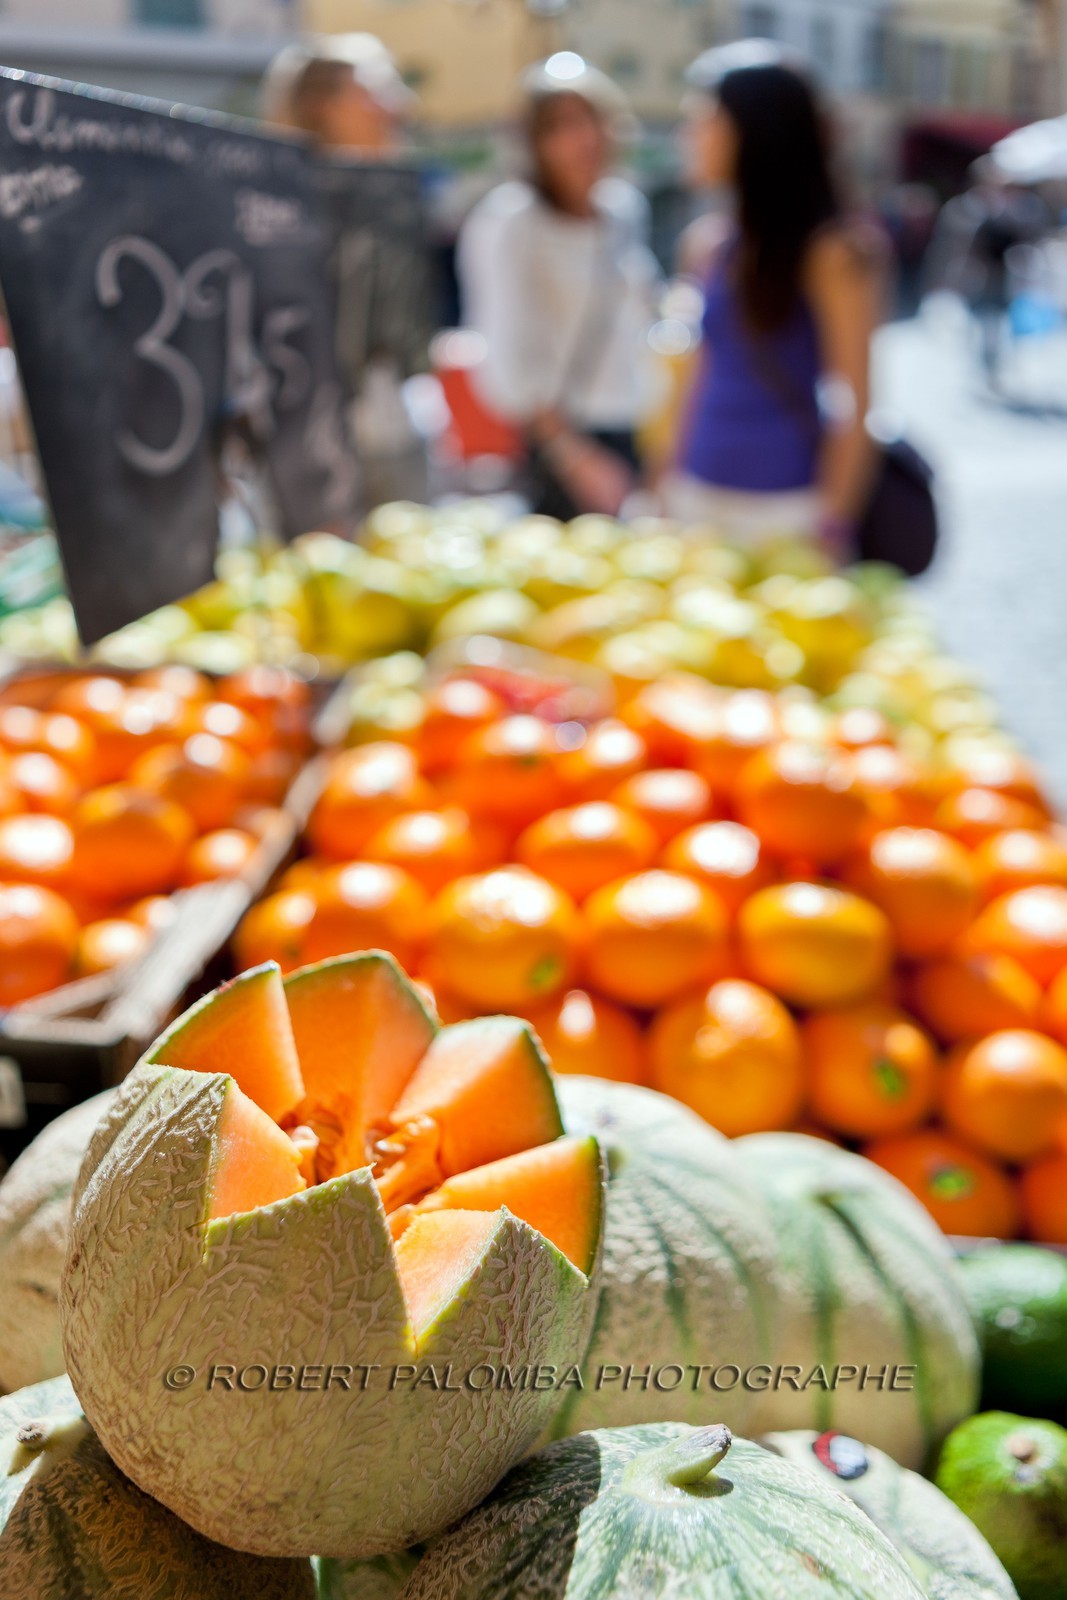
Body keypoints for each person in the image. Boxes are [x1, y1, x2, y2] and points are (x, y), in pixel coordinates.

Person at [667, 40, 885, 549]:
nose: (689, 136)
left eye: (703, 120)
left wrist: (833, 523)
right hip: (695, 494)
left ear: (751, 130)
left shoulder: (834, 252)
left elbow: (858, 403)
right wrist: (663, 477)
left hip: (788, 508)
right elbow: (694, 377)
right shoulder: (708, 244)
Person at [457, 54, 661, 519]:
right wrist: (574, 456)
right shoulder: (511, 221)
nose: (582, 139)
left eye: (591, 120)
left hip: (628, 427)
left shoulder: (623, 210)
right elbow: (510, 347)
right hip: (557, 444)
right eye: (560, 126)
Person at [262, 36, 431, 511]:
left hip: (395, 428)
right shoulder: (277, 212)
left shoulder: (393, 197)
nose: (399, 107)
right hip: (312, 447)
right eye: (377, 90)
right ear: (323, 105)